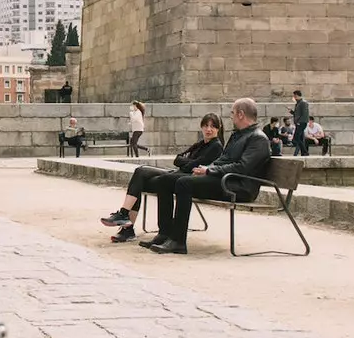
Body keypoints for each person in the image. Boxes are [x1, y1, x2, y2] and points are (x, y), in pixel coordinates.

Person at [139, 98, 272, 254]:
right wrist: (206, 168)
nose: (231, 116)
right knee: (165, 180)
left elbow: (243, 167)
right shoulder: (239, 135)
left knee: (184, 183)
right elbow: (223, 160)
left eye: (233, 113)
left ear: (241, 114)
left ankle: (178, 241)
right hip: (225, 180)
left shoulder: (258, 138)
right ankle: (164, 233)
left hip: (238, 187)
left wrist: (209, 171)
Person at [100, 113, 224, 243]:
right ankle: (125, 217)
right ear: (201, 127)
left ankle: (127, 226)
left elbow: (190, 166)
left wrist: (185, 162)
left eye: (212, 127)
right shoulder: (199, 144)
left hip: (183, 181)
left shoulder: (216, 146)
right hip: (176, 174)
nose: (209, 129)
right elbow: (177, 159)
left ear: (218, 128)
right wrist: (186, 162)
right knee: (140, 172)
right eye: (206, 126)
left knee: (143, 179)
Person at [290, 90, 311, 157]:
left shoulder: (303, 103)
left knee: (296, 138)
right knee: (301, 138)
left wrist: (299, 122)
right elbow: (297, 114)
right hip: (299, 122)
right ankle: (303, 152)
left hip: (301, 123)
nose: (294, 97)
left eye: (294, 95)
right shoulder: (298, 103)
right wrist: (291, 112)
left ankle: (305, 152)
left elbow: (304, 114)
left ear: (296, 95)